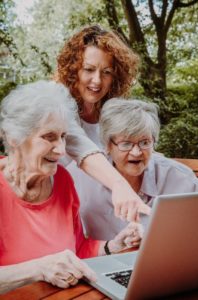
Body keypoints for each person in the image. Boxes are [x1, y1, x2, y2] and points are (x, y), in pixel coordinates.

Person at [0, 81, 143, 294]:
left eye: (64, 137)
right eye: (49, 137)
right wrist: (39, 269)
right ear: (14, 138)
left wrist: (113, 245)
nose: (61, 150)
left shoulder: (62, 180)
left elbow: (78, 249)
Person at [68, 98, 198, 240]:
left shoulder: (180, 178)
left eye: (144, 142)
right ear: (107, 145)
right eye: (126, 144)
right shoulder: (79, 176)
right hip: (102, 258)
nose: (136, 152)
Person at [55, 24, 150, 220]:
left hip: (101, 210)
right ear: (73, 70)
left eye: (106, 72)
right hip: (61, 209)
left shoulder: (111, 111)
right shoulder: (59, 103)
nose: (97, 81)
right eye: (88, 70)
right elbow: (79, 145)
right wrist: (119, 185)